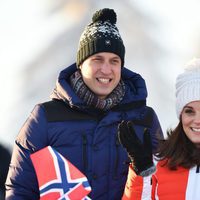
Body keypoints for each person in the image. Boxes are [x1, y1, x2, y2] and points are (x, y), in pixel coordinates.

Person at [5, 8, 163, 200]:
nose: (106, 69)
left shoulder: (144, 119)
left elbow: (164, 187)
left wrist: (147, 169)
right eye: (97, 59)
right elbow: (21, 190)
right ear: (81, 64)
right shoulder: (46, 117)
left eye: (114, 61)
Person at [119, 58, 200, 199]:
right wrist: (142, 172)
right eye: (189, 111)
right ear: (180, 115)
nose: (197, 120)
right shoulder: (161, 163)